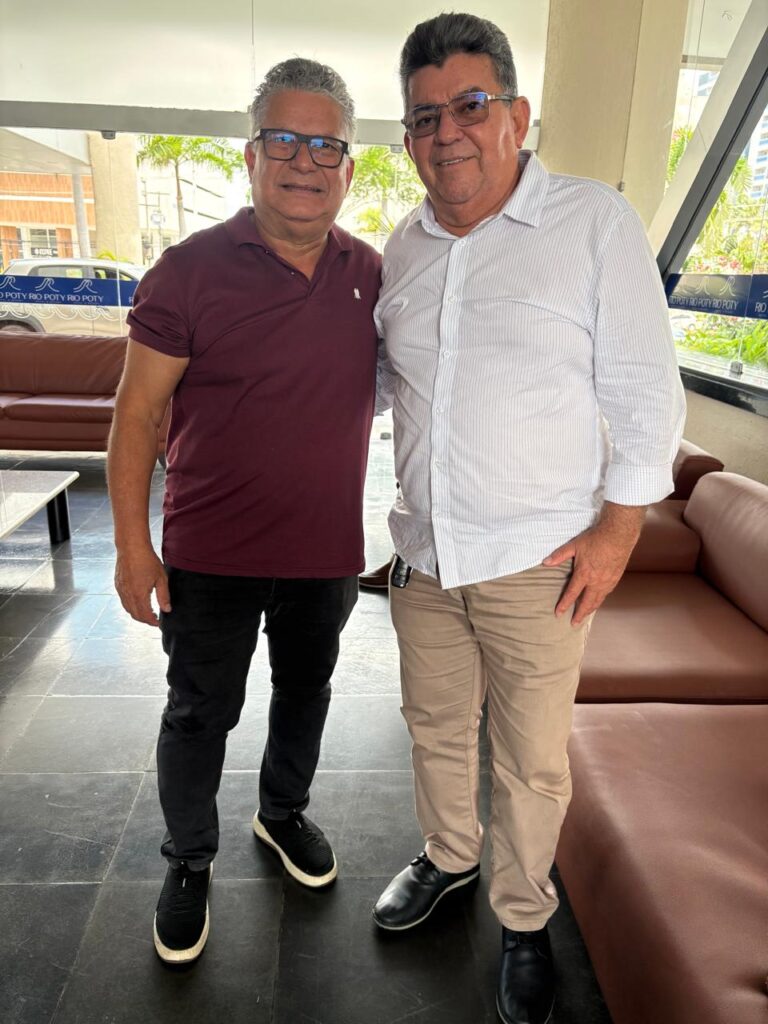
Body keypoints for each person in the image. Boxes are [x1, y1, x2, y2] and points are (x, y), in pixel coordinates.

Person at [371, 14, 686, 1024]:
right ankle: (449, 857)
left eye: (469, 105)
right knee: (434, 728)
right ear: (408, 137)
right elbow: (383, 388)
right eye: (425, 116)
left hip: (537, 560)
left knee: (531, 759)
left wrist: (618, 532)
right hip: (426, 556)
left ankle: (521, 914)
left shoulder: (592, 223)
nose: (447, 132)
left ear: (517, 114)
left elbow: (646, 391)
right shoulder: (404, 246)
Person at [107, 58, 381, 965]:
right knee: (199, 713)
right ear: (252, 154)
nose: (305, 161)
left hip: (325, 552)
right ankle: (189, 858)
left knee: (306, 692)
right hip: (210, 552)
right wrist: (133, 549)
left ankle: (282, 812)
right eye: (285, 140)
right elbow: (136, 415)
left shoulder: (374, 275)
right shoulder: (187, 272)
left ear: (348, 165)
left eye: (325, 146)